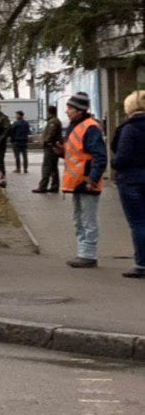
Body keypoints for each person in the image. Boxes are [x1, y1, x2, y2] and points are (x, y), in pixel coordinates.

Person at [57, 91, 108, 268]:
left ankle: (88, 254)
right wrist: (60, 152)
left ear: (79, 110)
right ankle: (82, 252)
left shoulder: (90, 127)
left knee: (88, 219)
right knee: (79, 219)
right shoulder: (76, 126)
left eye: (70, 108)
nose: (67, 111)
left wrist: (92, 179)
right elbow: (77, 154)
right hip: (77, 181)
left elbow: (99, 156)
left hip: (87, 182)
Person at [112, 90, 145, 279]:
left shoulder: (129, 129)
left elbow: (122, 157)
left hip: (132, 180)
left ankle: (141, 264)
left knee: (138, 223)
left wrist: (114, 165)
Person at [32, 105, 63, 193]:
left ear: (49, 112)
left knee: (46, 167)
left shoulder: (53, 121)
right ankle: (54, 186)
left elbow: (51, 133)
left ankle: (43, 186)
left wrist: (45, 141)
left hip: (50, 147)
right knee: (53, 167)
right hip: (53, 147)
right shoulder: (54, 121)